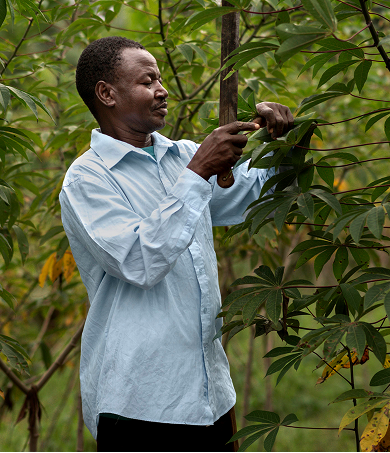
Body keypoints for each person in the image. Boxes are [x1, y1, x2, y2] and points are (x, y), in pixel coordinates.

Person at [59, 36, 294, 452]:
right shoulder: (88, 179)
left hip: (211, 397)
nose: (161, 89)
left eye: (161, 78)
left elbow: (261, 191)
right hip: (139, 404)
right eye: (148, 81)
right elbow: (139, 260)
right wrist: (200, 170)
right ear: (106, 94)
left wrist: (283, 139)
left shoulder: (181, 156)